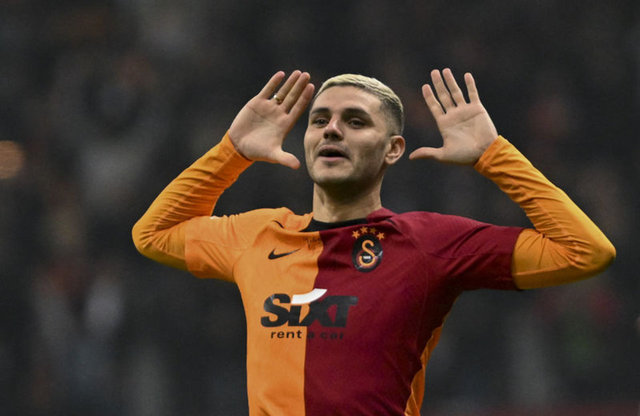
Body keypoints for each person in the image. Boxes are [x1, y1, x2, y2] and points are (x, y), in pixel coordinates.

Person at [132, 69, 615, 415]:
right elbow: (153, 234)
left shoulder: (426, 244)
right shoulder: (258, 236)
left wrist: (493, 155)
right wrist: (231, 152)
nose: (331, 129)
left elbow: (585, 251)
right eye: (319, 120)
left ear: (393, 149)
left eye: (355, 121)